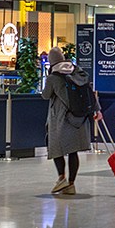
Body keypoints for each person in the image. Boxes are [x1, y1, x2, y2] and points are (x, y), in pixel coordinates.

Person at [42, 47, 93, 195]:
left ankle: (61, 178)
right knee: (73, 151)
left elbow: (46, 95)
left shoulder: (53, 77)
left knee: (56, 148)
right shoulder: (77, 71)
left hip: (61, 118)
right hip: (79, 118)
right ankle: (71, 184)